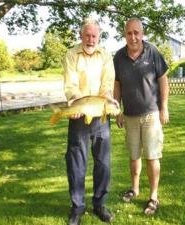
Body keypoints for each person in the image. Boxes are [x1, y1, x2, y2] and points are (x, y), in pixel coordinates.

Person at [63, 18, 116, 225]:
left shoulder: (105, 55)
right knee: (76, 164)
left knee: (103, 164)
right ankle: (77, 207)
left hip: (101, 116)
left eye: (94, 36)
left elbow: (107, 83)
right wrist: (75, 102)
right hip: (79, 117)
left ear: (99, 37)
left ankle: (99, 204)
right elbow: (71, 84)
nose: (91, 40)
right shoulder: (71, 55)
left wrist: (108, 98)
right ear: (81, 35)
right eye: (87, 35)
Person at [113, 18, 169, 215]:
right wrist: (117, 110)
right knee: (134, 155)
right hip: (129, 115)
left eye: (136, 32)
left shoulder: (152, 52)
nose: (133, 37)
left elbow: (163, 80)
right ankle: (134, 188)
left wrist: (164, 108)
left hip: (151, 114)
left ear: (142, 34)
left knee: (152, 156)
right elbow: (117, 84)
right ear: (124, 34)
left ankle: (153, 196)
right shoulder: (118, 57)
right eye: (129, 33)